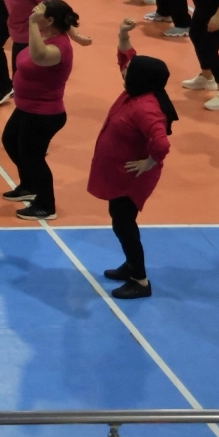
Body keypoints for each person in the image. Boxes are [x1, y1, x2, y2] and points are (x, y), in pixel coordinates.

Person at [88, 25, 175, 299]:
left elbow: (161, 143)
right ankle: (130, 264)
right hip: (121, 173)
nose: (125, 71)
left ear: (140, 78)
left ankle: (140, 280)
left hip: (132, 178)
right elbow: (127, 59)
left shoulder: (145, 108)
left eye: (129, 71)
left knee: (124, 224)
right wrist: (124, 37)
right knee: (120, 220)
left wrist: (149, 163)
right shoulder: (138, 90)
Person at [2, 0, 79, 220]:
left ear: (50, 20)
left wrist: (32, 24)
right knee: (10, 141)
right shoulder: (47, 35)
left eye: (39, 11)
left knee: (33, 157)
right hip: (27, 107)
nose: (33, 12)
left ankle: (46, 205)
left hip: (43, 113)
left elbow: (38, 57)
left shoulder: (58, 47)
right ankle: (29, 185)